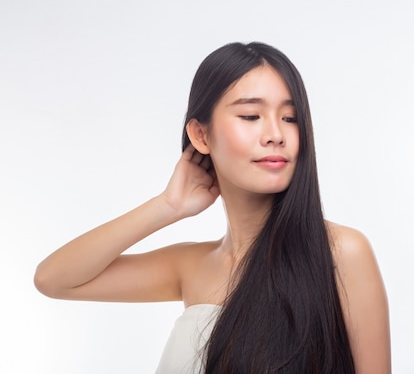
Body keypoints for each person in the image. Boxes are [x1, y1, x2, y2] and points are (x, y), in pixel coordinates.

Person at [34, 42, 390, 374]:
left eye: (290, 118)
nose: (275, 134)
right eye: (251, 116)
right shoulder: (191, 267)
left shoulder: (340, 253)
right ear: (201, 136)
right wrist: (167, 206)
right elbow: (54, 280)